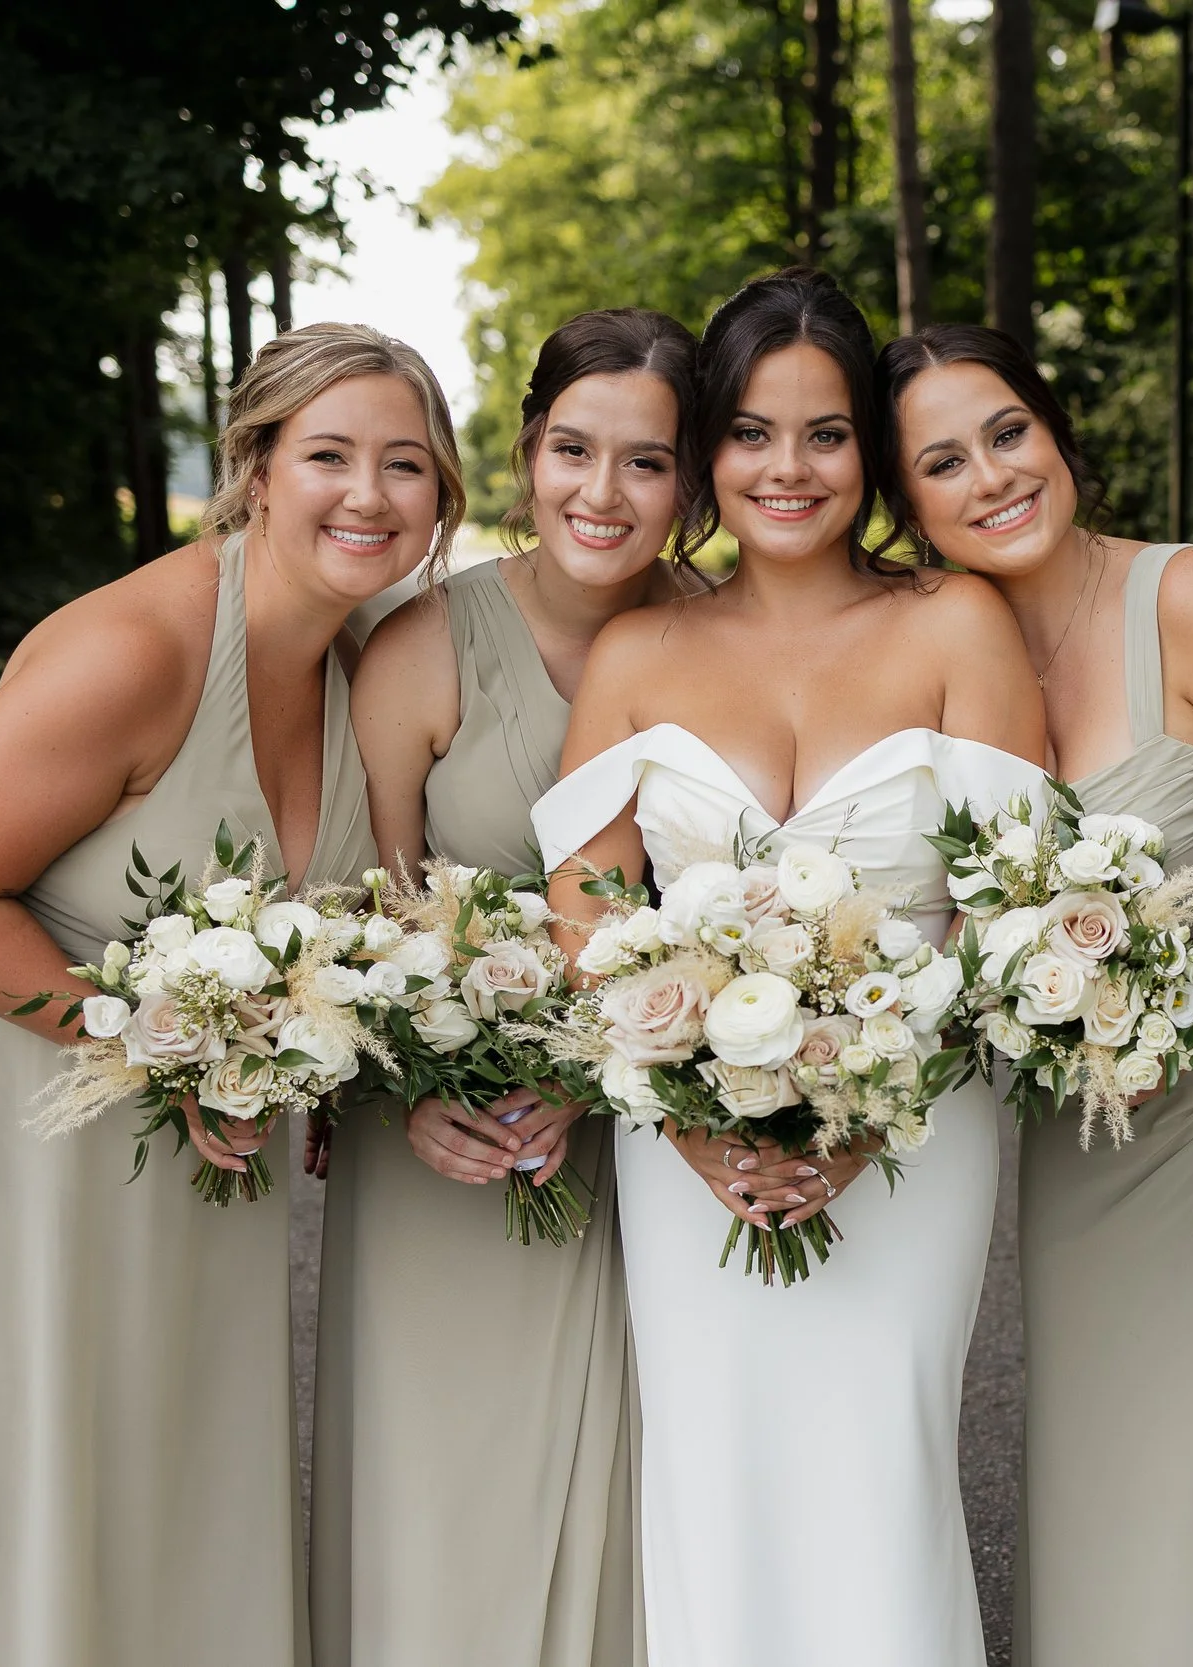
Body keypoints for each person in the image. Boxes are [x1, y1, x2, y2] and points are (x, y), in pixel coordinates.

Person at [0, 323, 454, 1667]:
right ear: (256, 469)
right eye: (329, 455)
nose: (369, 495)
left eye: (407, 463)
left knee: (165, 1459)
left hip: (191, 1127)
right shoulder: (134, 651)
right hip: (5, 1101)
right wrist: (147, 1044)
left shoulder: (359, 660)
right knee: (14, 1464)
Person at [528, 268, 1047, 1667]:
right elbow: (585, 909)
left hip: (917, 1129)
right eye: (752, 431)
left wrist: (869, 1118)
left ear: (867, 453)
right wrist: (692, 1121)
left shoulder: (957, 626)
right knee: (715, 1478)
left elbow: (1017, 911)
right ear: (709, 448)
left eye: (825, 433)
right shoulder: (637, 647)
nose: (788, 467)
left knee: (879, 1471)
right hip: (685, 1144)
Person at [877, 323, 1193, 1666]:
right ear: (907, 502)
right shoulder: (929, 649)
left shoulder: (1189, 596)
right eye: (943, 460)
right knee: (1116, 1493)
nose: (991, 475)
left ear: (1056, 432)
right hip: (1083, 1150)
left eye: (1007, 432)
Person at [311, 308, 697, 1667]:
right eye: (575, 449)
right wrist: (412, 1095)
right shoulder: (423, 644)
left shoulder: (724, 643)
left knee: (657, 1495)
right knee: (449, 1501)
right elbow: (360, 918)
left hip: (660, 1139)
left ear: (692, 483)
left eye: (647, 462)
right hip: (449, 1147)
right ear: (529, 453)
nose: (604, 492)